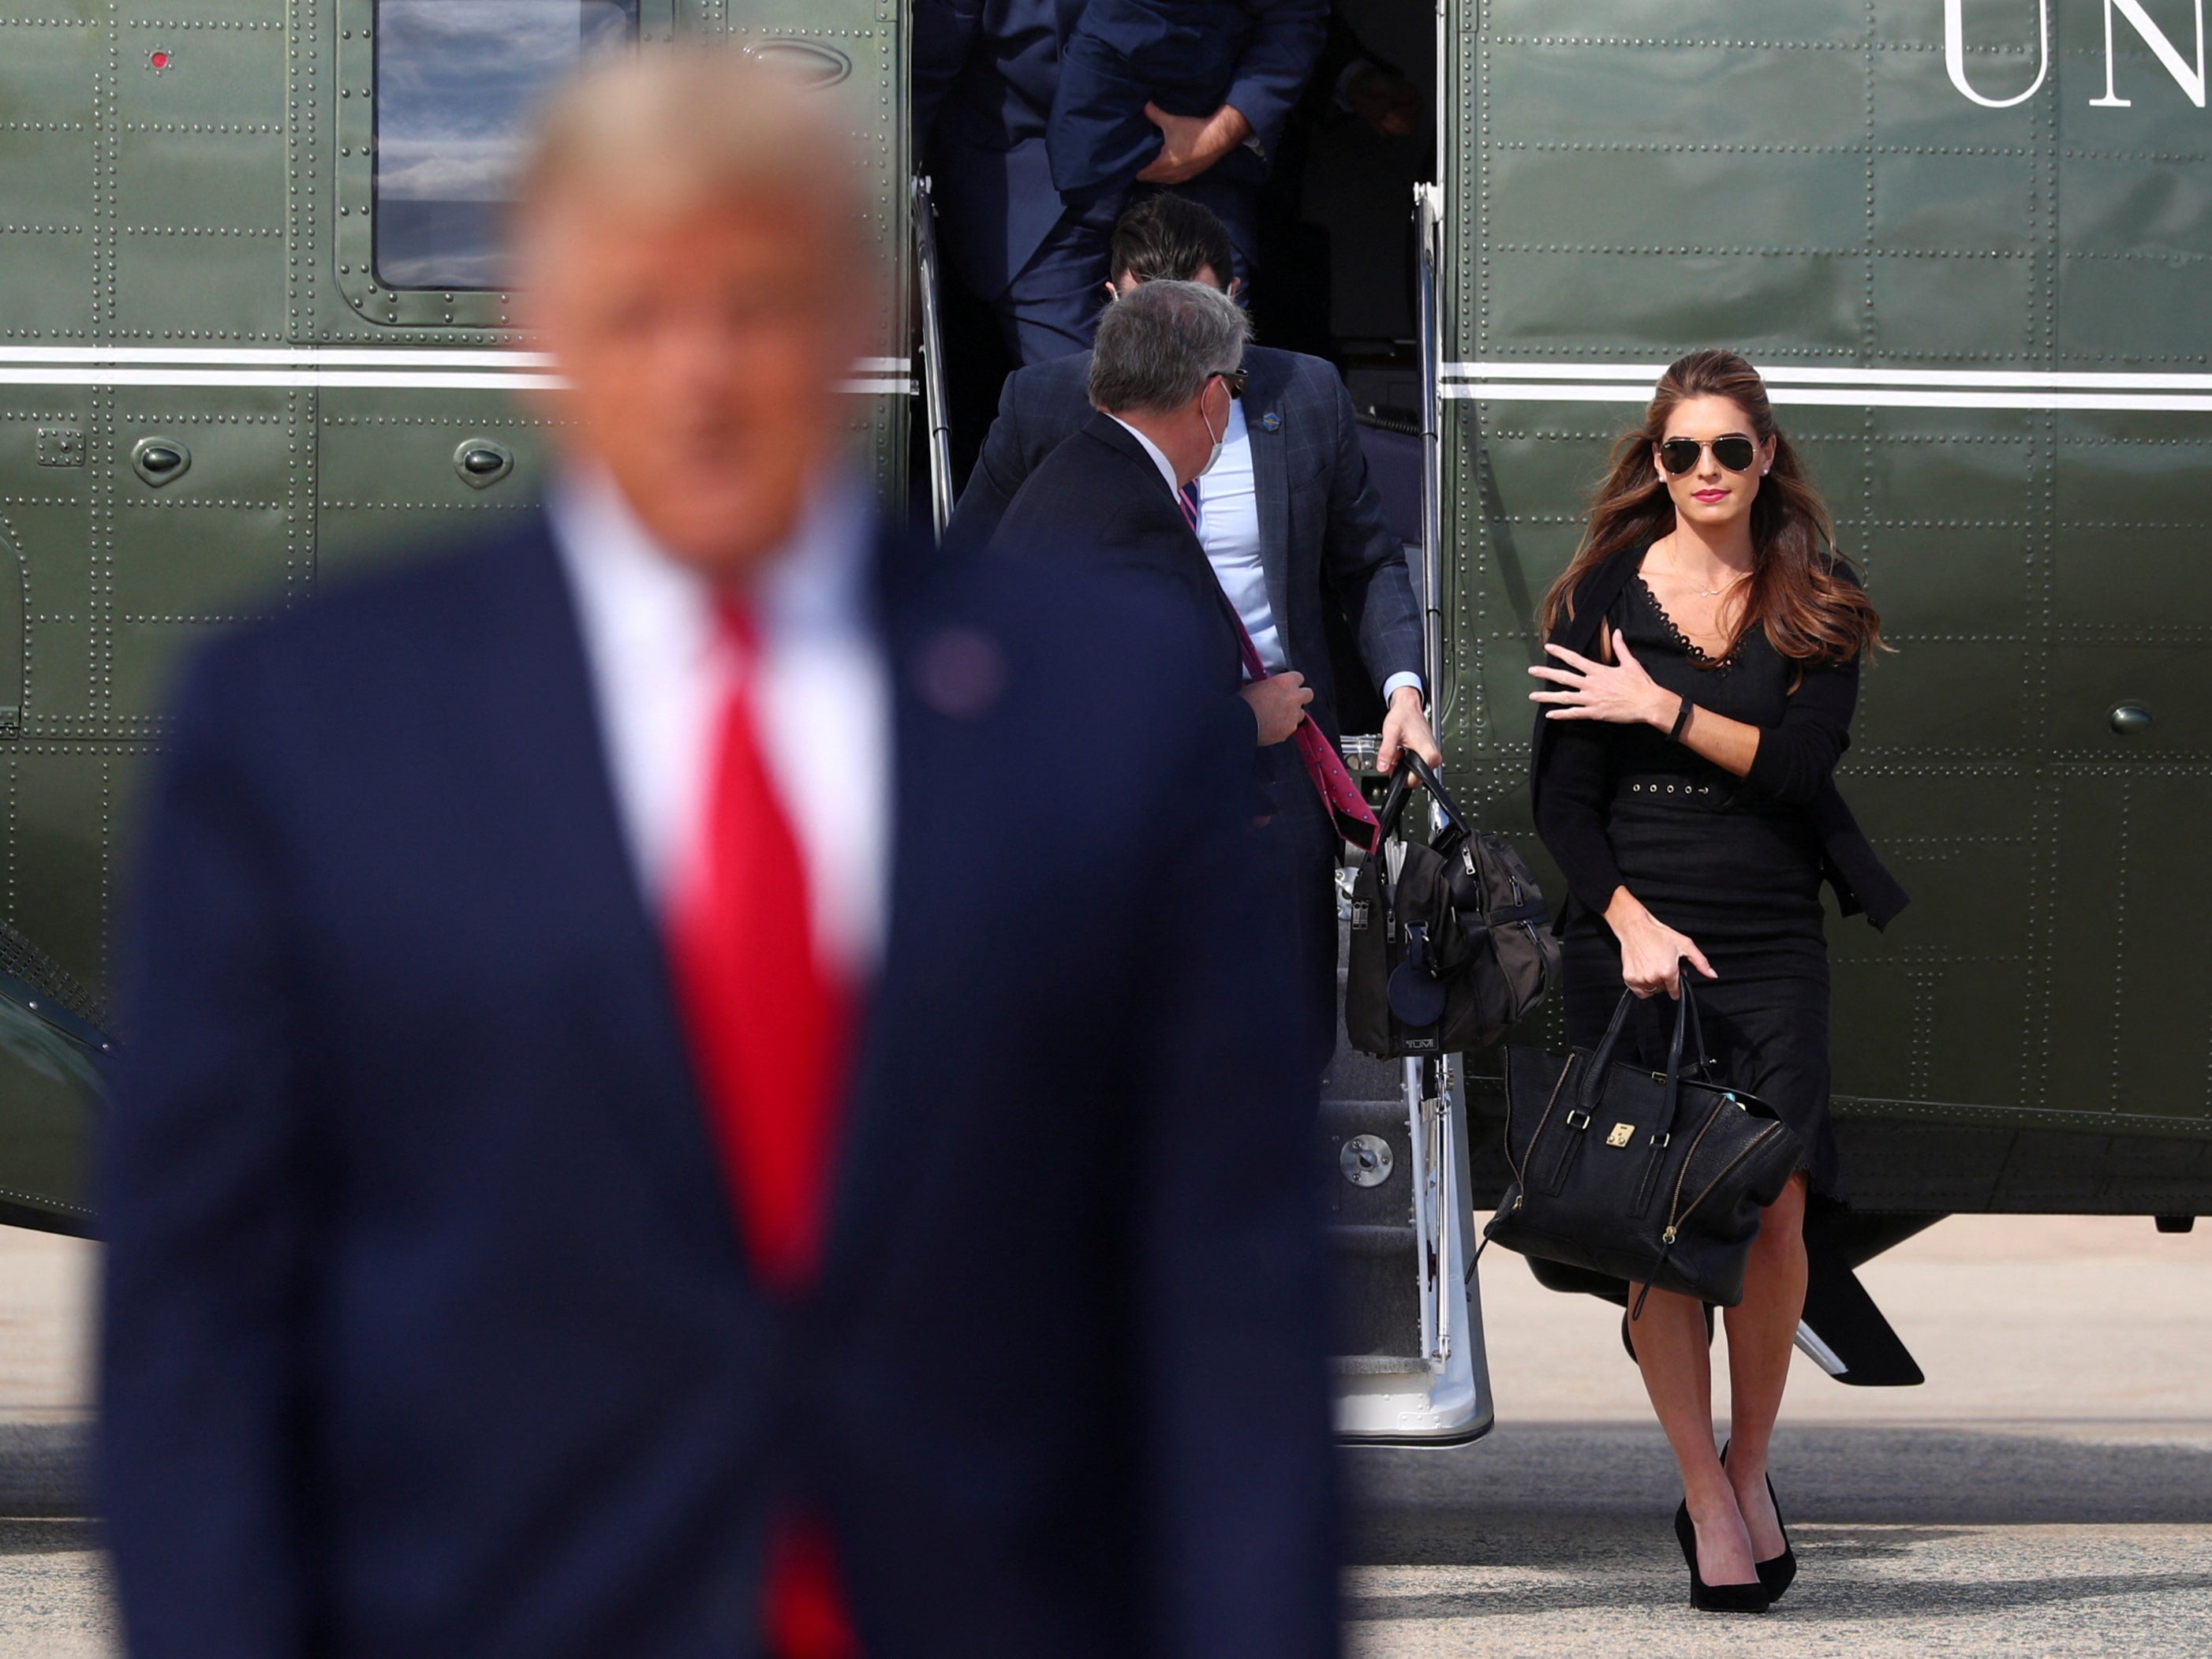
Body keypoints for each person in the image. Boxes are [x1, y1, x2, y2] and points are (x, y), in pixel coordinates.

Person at [99, 51, 1340, 1659]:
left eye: (754, 306)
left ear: (862, 323)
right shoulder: (306, 735)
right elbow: (202, 1344)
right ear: (534, 331)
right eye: (632, 311)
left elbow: (1227, 1321)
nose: (698, 373)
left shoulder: (1104, 720)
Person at [1526, 349, 1907, 1613]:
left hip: (1767, 925)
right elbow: (1562, 805)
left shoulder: (1816, 595)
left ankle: (1752, 1465)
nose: (1702, 473)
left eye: (1727, 451)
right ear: (1654, 459)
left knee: (1780, 1200)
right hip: (1636, 924)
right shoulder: (1594, 597)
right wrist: (1627, 919)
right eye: (1679, 451)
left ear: (1765, 458)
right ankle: (1702, 1490)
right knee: (1664, 1213)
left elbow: (1799, 772)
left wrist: (1660, 705)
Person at [956, 196, 1437, 1056]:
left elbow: (1365, 561)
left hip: (1274, 760)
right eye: (1151, 314)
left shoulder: (1308, 394)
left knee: (1283, 1028)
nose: (1174, 344)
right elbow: (976, 584)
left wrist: (1402, 686)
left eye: (1196, 318)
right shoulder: (1049, 410)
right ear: (1111, 303)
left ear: (1234, 308)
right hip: (1124, 776)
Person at [912, 0, 1326, 363]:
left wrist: (1222, 130)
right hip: (1030, 184)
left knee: (1210, 396)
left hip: (1196, 174)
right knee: (1077, 415)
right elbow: (921, 65)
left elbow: (1293, 16)